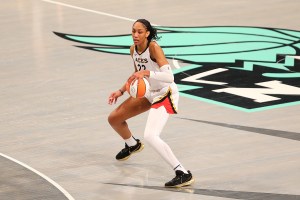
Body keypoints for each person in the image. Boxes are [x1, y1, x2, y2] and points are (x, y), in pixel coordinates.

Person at [107, 19, 194, 188]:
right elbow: (136, 74)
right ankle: (133, 144)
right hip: (148, 92)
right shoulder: (133, 50)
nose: (135, 35)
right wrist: (121, 91)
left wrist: (147, 72)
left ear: (147, 33)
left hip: (165, 94)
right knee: (114, 118)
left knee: (151, 135)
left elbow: (170, 77)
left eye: (139, 32)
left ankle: (183, 173)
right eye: (133, 31)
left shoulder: (154, 48)